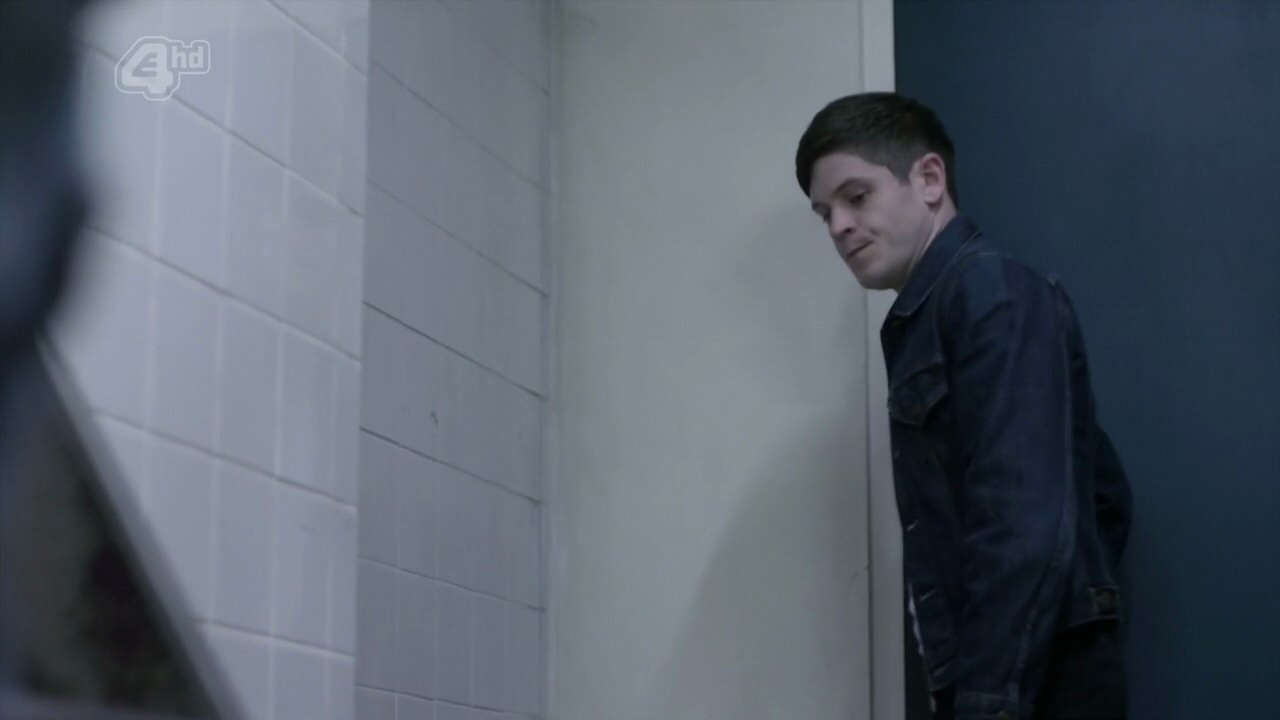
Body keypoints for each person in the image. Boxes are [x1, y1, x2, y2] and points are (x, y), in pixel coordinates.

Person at [794, 93, 1133, 720]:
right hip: (1015, 675)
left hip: (1026, 686)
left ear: (929, 179)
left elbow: (1022, 521)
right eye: (824, 213)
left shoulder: (989, 292)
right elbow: (1101, 496)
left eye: (856, 196)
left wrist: (988, 697)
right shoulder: (934, 314)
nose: (838, 225)